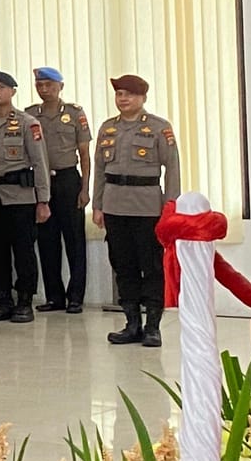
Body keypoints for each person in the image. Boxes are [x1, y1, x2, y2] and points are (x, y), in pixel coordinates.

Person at [94, 75, 181, 348]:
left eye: (129, 94)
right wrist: (97, 205)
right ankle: (132, 324)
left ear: (142, 98)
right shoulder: (108, 128)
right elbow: (99, 170)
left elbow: (173, 169)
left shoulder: (158, 128)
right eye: (119, 94)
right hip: (115, 206)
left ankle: (153, 326)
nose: (123, 99)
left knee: (151, 267)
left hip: (147, 207)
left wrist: (170, 207)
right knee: (123, 266)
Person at [0, 73, 48, 324]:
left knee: (23, 252)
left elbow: (40, 162)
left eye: (0, 87)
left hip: (20, 197)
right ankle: (3, 300)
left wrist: (43, 200)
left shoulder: (27, 123)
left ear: (12, 92)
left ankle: (24, 301)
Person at [29, 67, 92, 313]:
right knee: (47, 240)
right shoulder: (31, 115)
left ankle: (75, 296)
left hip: (68, 180)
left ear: (60, 86)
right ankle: (54, 296)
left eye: (49, 85)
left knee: (74, 240)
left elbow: (84, 154)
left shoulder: (75, 113)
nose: (44, 89)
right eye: (40, 85)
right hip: (42, 182)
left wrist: (85, 188)